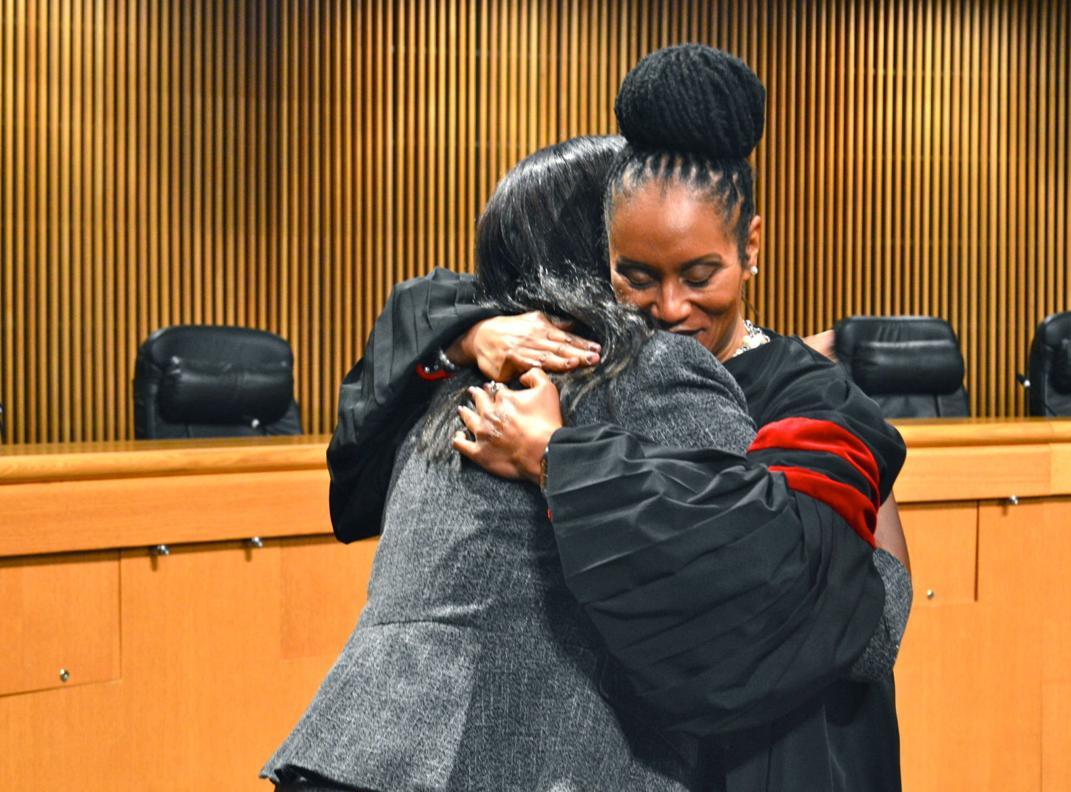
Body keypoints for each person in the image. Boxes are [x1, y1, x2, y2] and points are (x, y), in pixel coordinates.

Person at [328, 46, 911, 791]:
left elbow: (857, 609)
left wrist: (554, 456)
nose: (669, 307)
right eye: (635, 274)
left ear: (749, 248)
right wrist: (468, 333)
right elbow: (420, 317)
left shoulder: (802, 392)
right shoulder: (556, 369)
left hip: (783, 739)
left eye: (698, 273)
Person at [264, 135, 830, 791]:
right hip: (537, 760)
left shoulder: (446, 385)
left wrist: (465, 336)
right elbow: (765, 560)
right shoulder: (643, 367)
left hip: (354, 750)